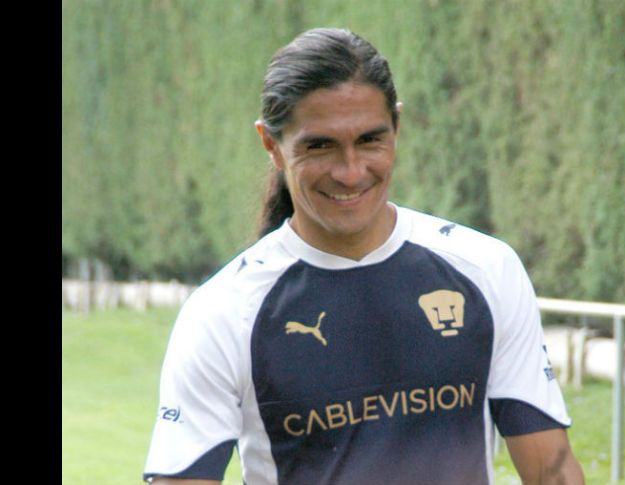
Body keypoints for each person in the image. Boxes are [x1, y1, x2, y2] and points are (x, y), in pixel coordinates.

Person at [143, 28, 585, 485]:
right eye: (320, 146)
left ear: (397, 126)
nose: (351, 172)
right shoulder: (224, 312)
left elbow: (551, 470)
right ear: (271, 145)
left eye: (370, 140)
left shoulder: (485, 269)